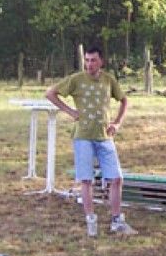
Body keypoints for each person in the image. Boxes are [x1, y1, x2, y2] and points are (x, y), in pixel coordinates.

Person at [46, 46, 136, 237]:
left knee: (116, 178)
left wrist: (117, 123)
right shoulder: (76, 79)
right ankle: (91, 221)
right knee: (86, 180)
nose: (89, 64)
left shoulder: (108, 80)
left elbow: (123, 100)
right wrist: (70, 111)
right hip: (83, 136)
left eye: (93, 60)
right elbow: (51, 94)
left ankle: (117, 221)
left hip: (104, 136)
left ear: (101, 61)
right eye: (86, 60)